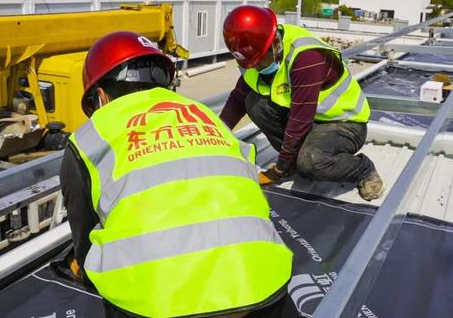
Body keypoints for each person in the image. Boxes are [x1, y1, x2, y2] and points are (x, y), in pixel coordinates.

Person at [60, 31, 293, 317]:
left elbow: (83, 239)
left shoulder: (90, 138)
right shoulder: (205, 116)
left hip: (160, 305)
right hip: (263, 285)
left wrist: (85, 269)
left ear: (101, 97)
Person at [220, 5, 383, 201]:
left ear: (275, 44)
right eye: (251, 64)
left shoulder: (306, 58)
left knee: (311, 162)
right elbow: (237, 99)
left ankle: (364, 170)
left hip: (344, 123)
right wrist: (216, 137)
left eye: (260, 62)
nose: (256, 68)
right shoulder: (255, 57)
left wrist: (279, 169)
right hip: (310, 120)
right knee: (254, 103)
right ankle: (292, 164)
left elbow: (299, 122)